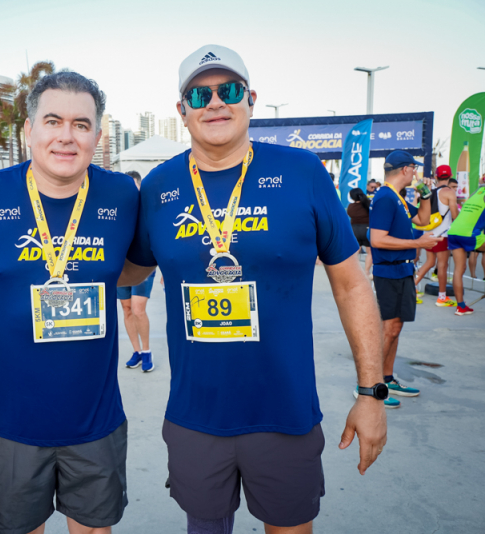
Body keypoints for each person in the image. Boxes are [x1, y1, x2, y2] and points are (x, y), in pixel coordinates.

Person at [119, 44, 387, 534]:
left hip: (284, 415)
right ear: (182, 111)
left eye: (230, 90)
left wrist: (371, 393)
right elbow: (130, 271)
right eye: (200, 94)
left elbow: (351, 285)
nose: (215, 102)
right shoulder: (159, 187)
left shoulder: (301, 174)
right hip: (196, 416)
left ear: (251, 99)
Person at [0, 71, 138, 534]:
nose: (66, 136)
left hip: (95, 423)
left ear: (97, 136)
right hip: (11, 425)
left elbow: (140, 264)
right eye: (53, 121)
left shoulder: (121, 195)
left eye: (81, 124)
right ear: (28, 130)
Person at [368, 151, 439, 406]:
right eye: (415, 169)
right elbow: (376, 239)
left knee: (395, 329)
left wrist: (427, 195)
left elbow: (423, 219)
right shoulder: (386, 197)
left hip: (402, 270)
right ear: (406, 169)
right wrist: (417, 242)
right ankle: (369, 385)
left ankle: (387, 379)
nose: (417, 174)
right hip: (389, 271)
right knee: (388, 329)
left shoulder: (397, 196)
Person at [120, 170, 156, 372]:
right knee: (126, 309)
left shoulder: (147, 209)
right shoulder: (119, 209)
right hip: (121, 265)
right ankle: (136, 352)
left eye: (134, 186)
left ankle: (147, 350)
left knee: (138, 309)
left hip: (143, 265)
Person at [412, 165, 458, 306]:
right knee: (442, 266)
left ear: (436, 177)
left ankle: (411, 288)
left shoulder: (429, 191)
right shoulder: (449, 192)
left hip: (428, 233)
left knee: (429, 262)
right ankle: (442, 297)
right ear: (450, 177)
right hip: (442, 235)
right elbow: (455, 215)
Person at [448, 183, 485, 315]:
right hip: (470, 234)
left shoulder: (478, 190)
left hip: (454, 231)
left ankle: (461, 306)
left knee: (459, 269)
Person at [346, 187, 373, 277]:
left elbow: (349, 214)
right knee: (370, 252)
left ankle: (354, 271)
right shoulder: (368, 204)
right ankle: (366, 271)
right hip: (367, 228)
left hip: (354, 229)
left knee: (355, 251)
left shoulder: (350, 207)